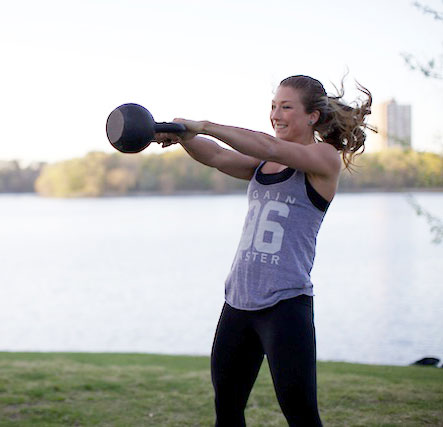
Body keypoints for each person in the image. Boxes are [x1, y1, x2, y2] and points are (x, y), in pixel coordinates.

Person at [156, 75, 373, 426]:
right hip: (238, 300)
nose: (276, 114)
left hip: (285, 305)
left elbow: (270, 147)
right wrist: (183, 135)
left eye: (286, 107)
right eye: (273, 106)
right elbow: (216, 157)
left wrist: (205, 125)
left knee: (301, 414)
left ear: (312, 117)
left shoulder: (323, 158)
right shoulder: (262, 163)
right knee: (227, 409)